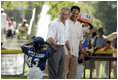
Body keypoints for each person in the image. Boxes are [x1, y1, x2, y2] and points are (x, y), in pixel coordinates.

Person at [47, 7, 71, 79]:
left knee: (60, 71)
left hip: (62, 48)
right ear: (60, 14)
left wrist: (69, 50)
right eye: (62, 14)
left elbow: (66, 39)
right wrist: (54, 42)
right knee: (53, 71)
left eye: (66, 15)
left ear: (68, 15)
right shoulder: (54, 23)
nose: (64, 16)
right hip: (54, 48)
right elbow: (50, 37)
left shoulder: (67, 24)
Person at [62, 6, 83, 79]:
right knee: (63, 73)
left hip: (75, 54)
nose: (75, 15)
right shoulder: (65, 23)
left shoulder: (80, 26)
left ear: (78, 14)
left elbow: (80, 41)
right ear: (70, 13)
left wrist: (81, 53)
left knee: (72, 74)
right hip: (65, 53)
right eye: (73, 13)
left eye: (77, 14)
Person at [76, 12, 93, 79]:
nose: (86, 28)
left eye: (88, 26)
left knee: (78, 76)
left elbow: (84, 48)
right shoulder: (74, 34)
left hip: (80, 61)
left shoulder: (85, 38)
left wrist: (87, 53)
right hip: (72, 60)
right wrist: (82, 51)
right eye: (83, 25)